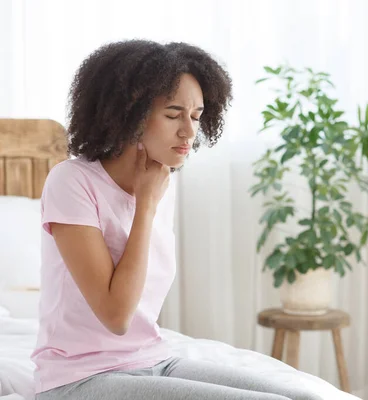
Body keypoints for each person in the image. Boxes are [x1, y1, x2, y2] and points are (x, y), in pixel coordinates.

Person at [31, 39, 320, 400]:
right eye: (172, 114)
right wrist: (145, 205)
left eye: (196, 116)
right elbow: (116, 316)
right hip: (79, 378)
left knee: (308, 397)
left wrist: (149, 196)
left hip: (152, 358)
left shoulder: (159, 179)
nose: (188, 131)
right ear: (131, 114)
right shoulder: (72, 181)